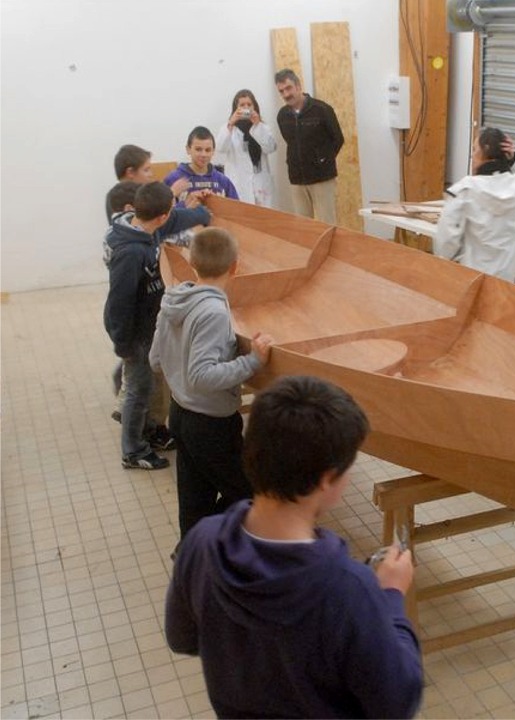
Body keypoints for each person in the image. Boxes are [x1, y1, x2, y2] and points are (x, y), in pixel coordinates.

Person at [165, 375, 423, 719]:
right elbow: (398, 702)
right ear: (327, 479)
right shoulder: (349, 587)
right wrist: (391, 596)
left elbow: (182, 638)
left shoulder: (200, 542)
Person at [149, 227, 273, 541]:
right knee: (249, 495)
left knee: (193, 500)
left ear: (192, 264)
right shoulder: (214, 312)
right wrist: (252, 361)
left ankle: (191, 552)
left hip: (180, 413)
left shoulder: (174, 299)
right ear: (235, 267)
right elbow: (202, 376)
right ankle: (208, 542)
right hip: (210, 423)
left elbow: (155, 359)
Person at [103, 182, 210, 470]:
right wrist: (123, 343)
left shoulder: (147, 226)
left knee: (153, 383)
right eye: (169, 213)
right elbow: (119, 303)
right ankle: (133, 450)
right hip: (135, 333)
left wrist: (202, 213)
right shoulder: (130, 252)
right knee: (138, 389)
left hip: (150, 326)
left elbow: (177, 219)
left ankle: (151, 430)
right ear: (160, 216)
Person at [433, 128, 515, 282]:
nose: (473, 155)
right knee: (499, 305)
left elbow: (448, 236)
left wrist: (445, 261)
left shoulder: (466, 188)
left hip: (472, 272)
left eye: (475, 149)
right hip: (506, 273)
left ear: (483, 154)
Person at [274, 68, 344, 223]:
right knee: (304, 227)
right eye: (281, 91)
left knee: (327, 224)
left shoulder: (322, 110)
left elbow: (338, 139)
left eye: (288, 88)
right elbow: (291, 142)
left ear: (298, 86)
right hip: (297, 179)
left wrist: (322, 160)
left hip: (322, 179)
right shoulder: (282, 116)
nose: (286, 94)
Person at [215, 89, 278, 208]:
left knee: (263, 218)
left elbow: (270, 148)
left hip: (261, 182)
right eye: (242, 105)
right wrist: (230, 123)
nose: (246, 108)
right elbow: (221, 148)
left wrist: (257, 125)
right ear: (235, 108)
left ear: (255, 107)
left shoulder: (262, 127)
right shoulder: (229, 129)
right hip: (239, 182)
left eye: (249, 105)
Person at [163, 126, 240, 204]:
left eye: (208, 150)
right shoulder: (173, 179)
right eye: (198, 149)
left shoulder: (223, 181)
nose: (203, 154)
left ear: (213, 151)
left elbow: (237, 211)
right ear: (188, 149)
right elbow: (162, 213)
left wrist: (218, 203)